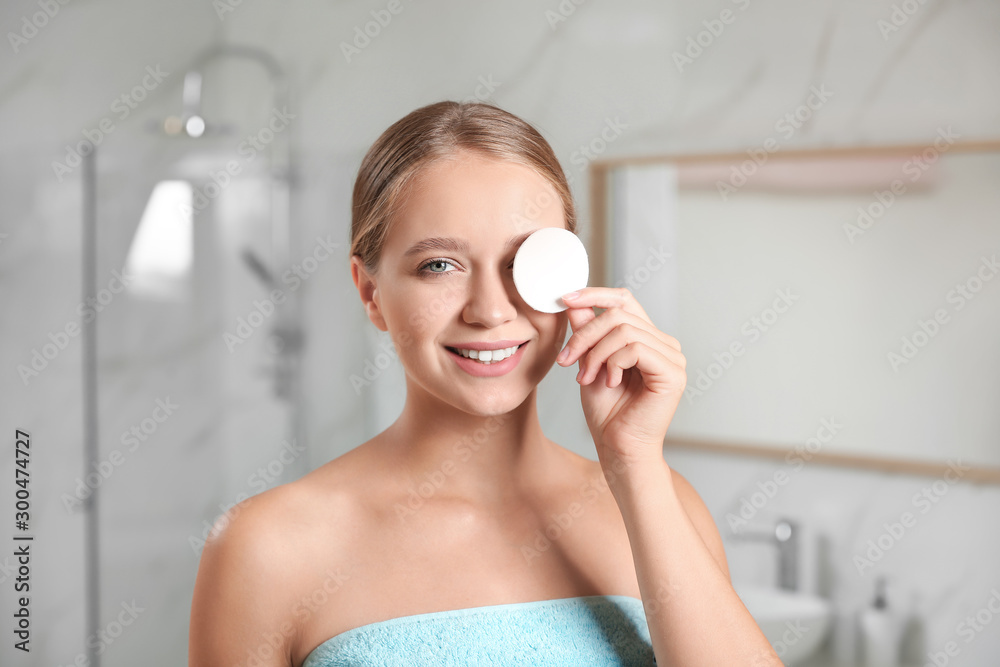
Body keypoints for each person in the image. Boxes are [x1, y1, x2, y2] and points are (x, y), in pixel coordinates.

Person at [189, 100, 781, 666]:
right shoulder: (267, 548)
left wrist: (634, 463)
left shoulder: (662, 503)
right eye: (438, 265)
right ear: (370, 292)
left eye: (525, 262)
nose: (490, 310)